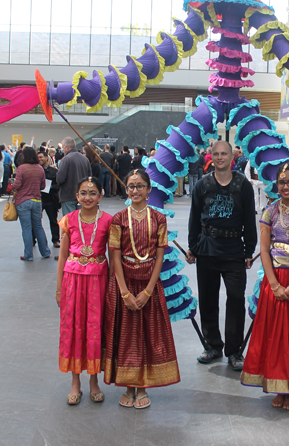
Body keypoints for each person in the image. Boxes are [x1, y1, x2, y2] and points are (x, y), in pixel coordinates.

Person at [241, 162, 289, 410]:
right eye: (281, 182)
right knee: (276, 336)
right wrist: (274, 284)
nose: (285, 186)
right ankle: (278, 386)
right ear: (276, 184)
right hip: (275, 281)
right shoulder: (269, 212)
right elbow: (264, 250)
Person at [104, 169, 180, 408]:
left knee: (148, 335)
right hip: (124, 283)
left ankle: (143, 387)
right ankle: (128, 387)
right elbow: (114, 258)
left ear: (149, 190)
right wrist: (125, 293)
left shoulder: (159, 219)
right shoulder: (118, 219)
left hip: (149, 283)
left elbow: (159, 258)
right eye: (130, 186)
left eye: (139, 186)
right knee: (126, 337)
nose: (135, 191)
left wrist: (147, 291)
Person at [186, 140, 257, 371]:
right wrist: (193, 247)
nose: (219, 157)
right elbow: (194, 218)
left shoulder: (243, 185)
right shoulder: (203, 185)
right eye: (215, 154)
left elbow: (249, 220)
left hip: (234, 250)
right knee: (208, 299)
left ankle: (235, 351)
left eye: (224, 153)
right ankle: (213, 345)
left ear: (231, 157)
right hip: (207, 249)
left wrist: (249, 250)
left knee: (235, 299)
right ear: (211, 157)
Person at [56, 176, 112, 405]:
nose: (87, 197)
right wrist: (58, 288)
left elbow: (114, 254)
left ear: (101, 195)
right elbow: (61, 255)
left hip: (98, 281)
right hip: (73, 280)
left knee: (95, 329)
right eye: (83, 193)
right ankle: (75, 382)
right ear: (76, 197)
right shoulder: (68, 220)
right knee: (74, 328)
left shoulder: (108, 221)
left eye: (92, 192)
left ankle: (94, 381)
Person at [13, 147, 50, 261]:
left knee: (27, 228)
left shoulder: (21, 168)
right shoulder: (40, 168)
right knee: (38, 226)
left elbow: (17, 185)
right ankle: (45, 251)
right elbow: (43, 186)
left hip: (23, 201)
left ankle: (28, 255)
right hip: (37, 201)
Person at [56, 137, 92, 216]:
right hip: (83, 194)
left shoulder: (66, 159)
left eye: (63, 147)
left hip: (68, 195)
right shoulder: (85, 159)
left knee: (70, 222)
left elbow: (60, 178)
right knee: (81, 221)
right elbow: (90, 177)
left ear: (67, 147)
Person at [37, 150, 61, 248]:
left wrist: (51, 187)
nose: (39, 159)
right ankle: (34, 239)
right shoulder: (36, 171)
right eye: (38, 158)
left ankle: (56, 240)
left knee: (53, 220)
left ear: (47, 157)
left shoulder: (54, 171)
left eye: (41, 157)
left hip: (51, 199)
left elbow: (59, 185)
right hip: (39, 199)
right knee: (36, 221)